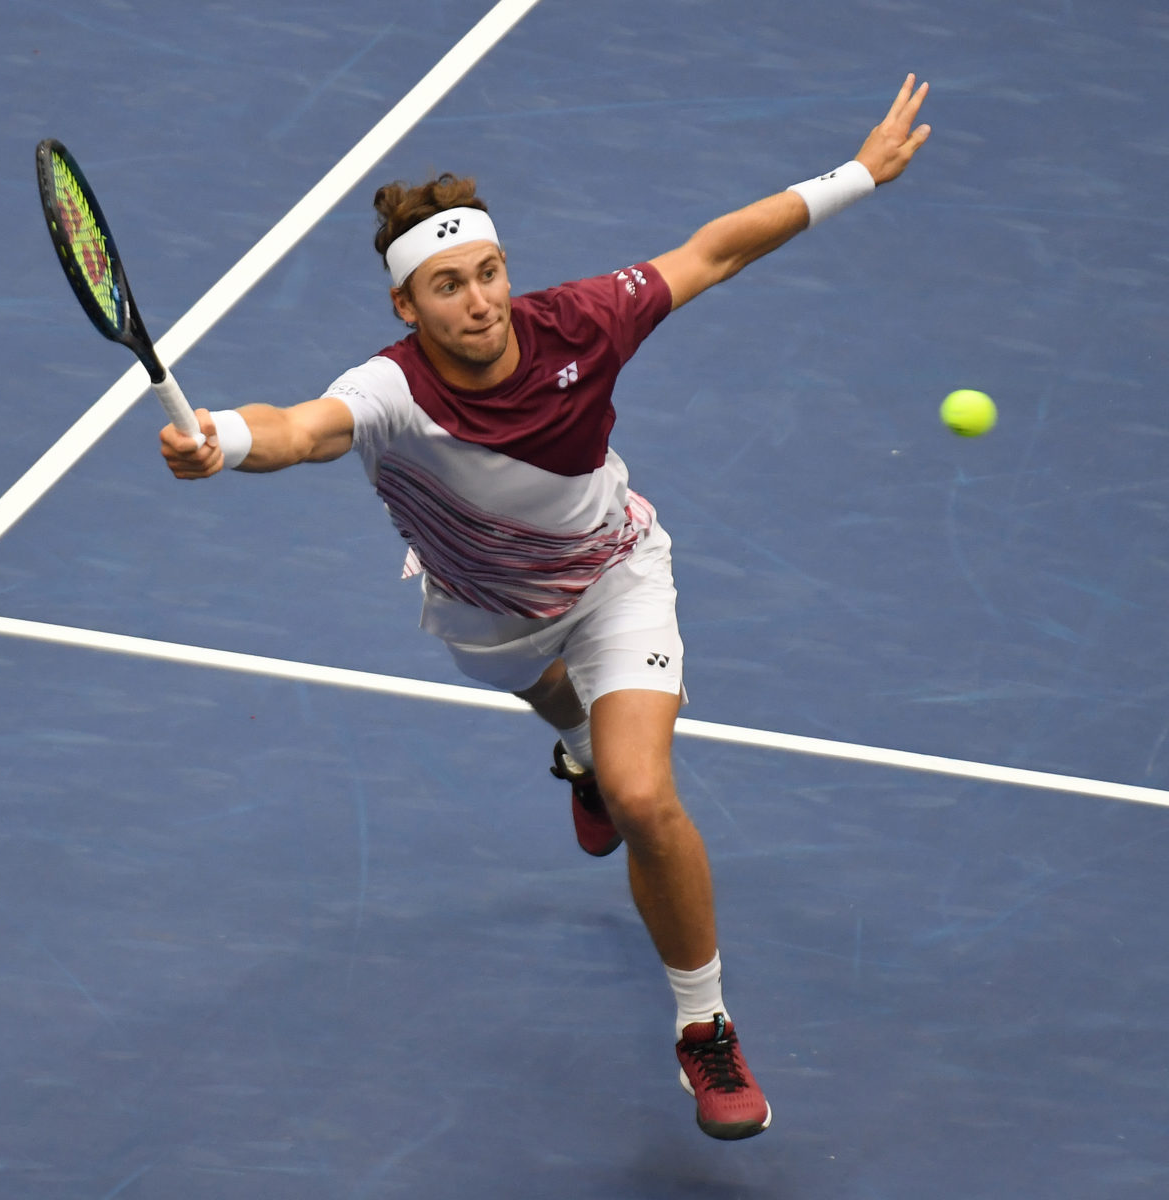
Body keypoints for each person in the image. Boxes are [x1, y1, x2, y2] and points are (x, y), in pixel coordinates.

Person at [162, 74, 931, 1140]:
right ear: (405, 307)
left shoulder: (583, 322)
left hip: (616, 579)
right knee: (558, 705)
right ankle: (576, 755)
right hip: (485, 612)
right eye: (446, 287)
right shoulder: (392, 391)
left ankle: (703, 1026)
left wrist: (857, 175)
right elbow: (301, 428)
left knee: (642, 795)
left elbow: (713, 251)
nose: (477, 302)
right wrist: (226, 439)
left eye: (487, 273)